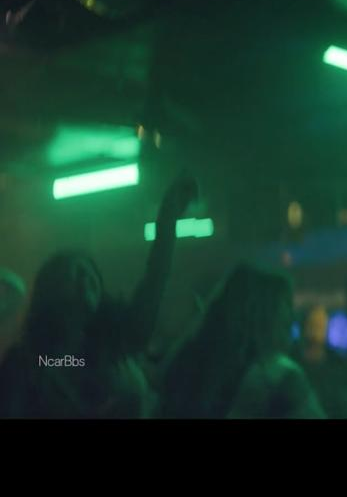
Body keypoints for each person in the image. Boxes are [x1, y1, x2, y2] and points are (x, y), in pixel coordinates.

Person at [0, 172, 197, 418]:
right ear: (52, 291)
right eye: (75, 274)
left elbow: (153, 283)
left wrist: (167, 220)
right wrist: (127, 401)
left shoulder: (112, 339)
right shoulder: (32, 362)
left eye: (89, 271)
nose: (86, 278)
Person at [160, 262, 325, 418]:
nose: (292, 316)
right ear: (264, 314)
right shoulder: (278, 376)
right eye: (286, 304)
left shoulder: (187, 365)